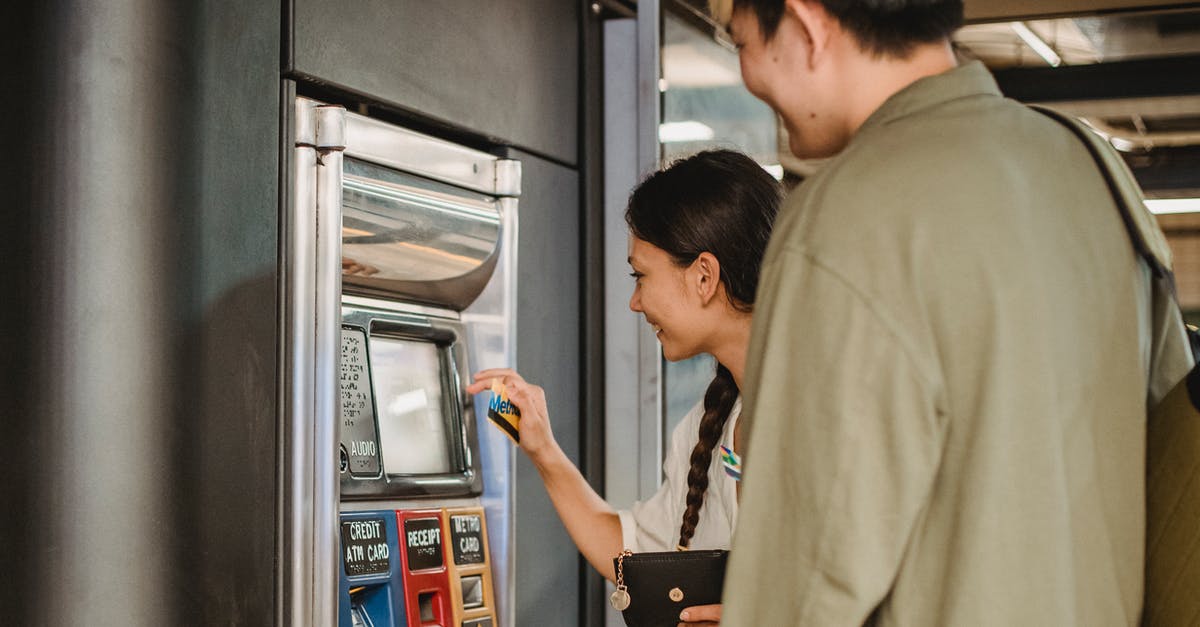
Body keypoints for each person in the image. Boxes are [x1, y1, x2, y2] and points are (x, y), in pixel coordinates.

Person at [711, 1, 1193, 625]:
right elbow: (1174, 471)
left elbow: (803, 583)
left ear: (806, 27)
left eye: (742, 41)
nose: (748, 76)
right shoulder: (1094, 169)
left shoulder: (844, 220)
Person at [467, 149, 781, 625]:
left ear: (703, 276)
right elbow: (630, 556)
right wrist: (543, 449)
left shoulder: (830, 414)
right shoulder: (707, 427)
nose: (635, 302)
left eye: (641, 276)